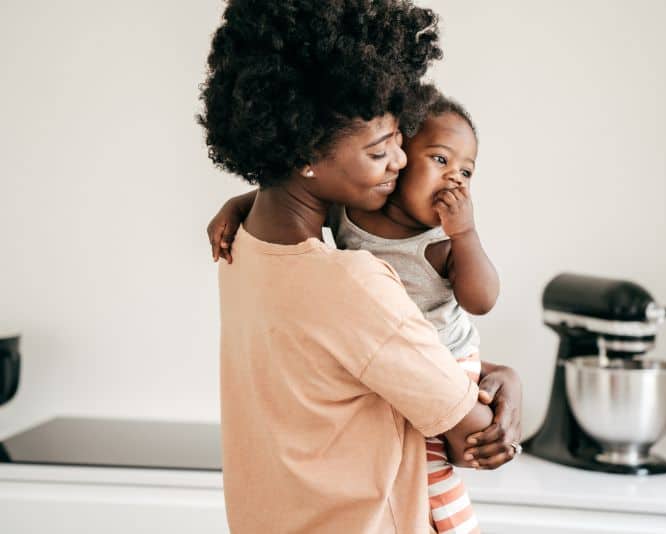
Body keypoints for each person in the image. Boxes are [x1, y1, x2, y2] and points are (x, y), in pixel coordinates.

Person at [199, 2, 522, 533]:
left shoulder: (242, 246)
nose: (400, 162)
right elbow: (471, 441)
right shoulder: (354, 283)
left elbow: (358, 365)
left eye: (400, 140)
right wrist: (509, 382)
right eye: (380, 152)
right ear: (306, 154)